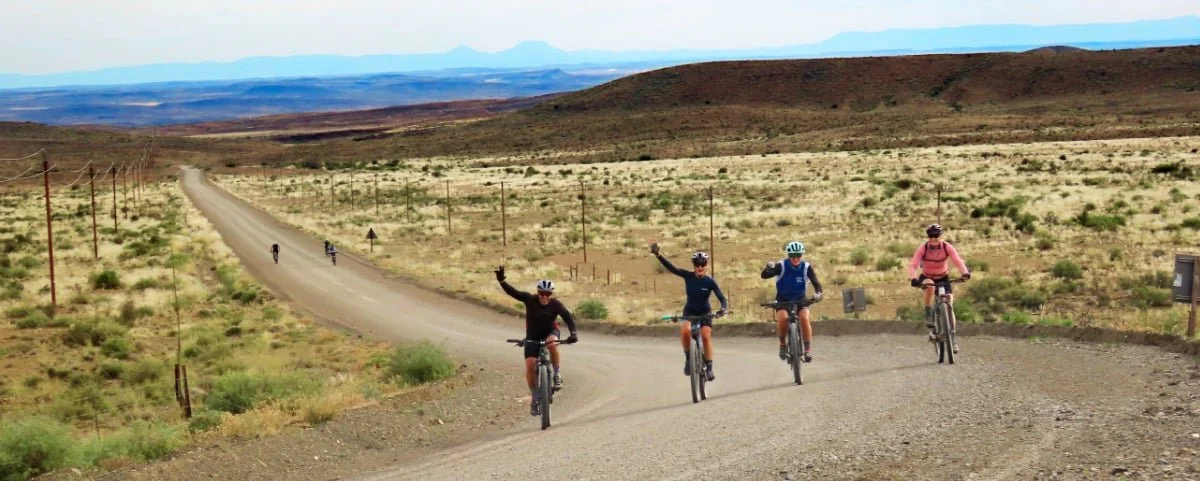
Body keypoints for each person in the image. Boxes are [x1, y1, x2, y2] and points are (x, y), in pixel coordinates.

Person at [494, 266, 578, 417]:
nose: (544, 297)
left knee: (552, 343)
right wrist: (502, 280)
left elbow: (568, 318)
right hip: (532, 336)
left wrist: (573, 333)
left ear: (551, 294)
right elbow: (513, 293)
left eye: (547, 294)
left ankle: (556, 374)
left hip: (550, 333)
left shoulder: (555, 305)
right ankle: (534, 396)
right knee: (530, 365)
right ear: (537, 293)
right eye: (541, 293)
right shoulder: (529, 299)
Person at [651, 243, 727, 382]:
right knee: (685, 331)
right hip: (689, 311)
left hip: (705, 313)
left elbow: (722, 298)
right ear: (694, 266)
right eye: (697, 264)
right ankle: (688, 359)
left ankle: (709, 367)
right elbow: (672, 268)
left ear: (706, 266)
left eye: (702, 264)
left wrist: (722, 309)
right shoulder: (688, 276)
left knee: (705, 335)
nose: (700, 267)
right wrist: (658, 255)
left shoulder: (710, 282)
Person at [908, 224, 971, 352]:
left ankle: (952, 339)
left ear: (940, 236)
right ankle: (928, 313)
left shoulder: (947, 247)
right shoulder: (923, 248)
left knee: (948, 303)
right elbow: (913, 264)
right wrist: (913, 278)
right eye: (931, 236)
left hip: (943, 277)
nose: (933, 239)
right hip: (927, 276)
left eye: (936, 236)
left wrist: (964, 273)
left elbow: (957, 260)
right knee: (930, 287)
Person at [760, 241, 823, 363]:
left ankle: (808, 349)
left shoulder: (806, 267)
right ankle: (783, 344)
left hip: (801, 300)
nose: (795, 258)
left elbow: (816, 283)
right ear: (788, 256)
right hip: (783, 300)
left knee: (804, 317)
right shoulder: (781, 266)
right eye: (792, 256)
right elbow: (764, 276)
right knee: (782, 318)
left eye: (798, 255)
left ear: (801, 255)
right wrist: (769, 268)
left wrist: (818, 293)